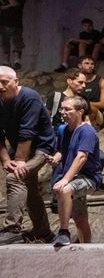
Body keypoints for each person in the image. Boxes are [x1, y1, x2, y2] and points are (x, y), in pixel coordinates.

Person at [0, 66, 56, 244]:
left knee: (15, 178)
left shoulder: (29, 97)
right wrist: (6, 159)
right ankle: (44, 232)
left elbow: (27, 132)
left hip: (41, 148)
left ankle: (12, 229)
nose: (0, 86)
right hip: (18, 149)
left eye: (4, 82)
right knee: (30, 191)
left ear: (16, 82)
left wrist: (19, 161)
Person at [47, 96, 101, 246]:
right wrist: (55, 158)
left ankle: (63, 232)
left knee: (64, 190)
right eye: (61, 109)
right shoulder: (63, 130)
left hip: (88, 178)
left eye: (67, 109)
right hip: (72, 176)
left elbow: (82, 157)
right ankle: (87, 248)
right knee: (80, 219)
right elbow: (62, 150)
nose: (63, 112)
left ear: (80, 111)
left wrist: (65, 180)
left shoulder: (87, 131)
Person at [0, 0, 26, 69]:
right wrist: (9, 5)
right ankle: (6, 62)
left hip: (16, 23)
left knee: (16, 41)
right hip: (3, 22)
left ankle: (17, 61)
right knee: (4, 42)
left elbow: (15, 4)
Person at [78, 56, 104, 129]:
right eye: (87, 63)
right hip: (81, 110)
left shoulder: (101, 81)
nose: (90, 66)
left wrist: (85, 104)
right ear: (79, 66)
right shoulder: (77, 81)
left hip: (97, 114)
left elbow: (103, 104)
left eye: (92, 64)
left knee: (90, 107)